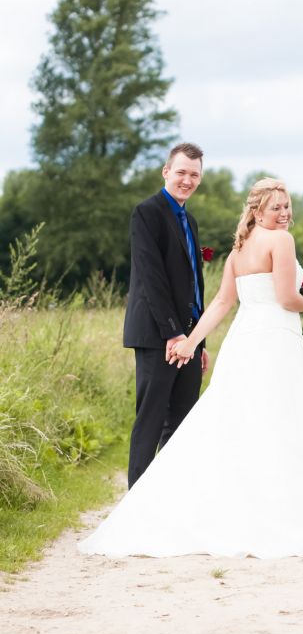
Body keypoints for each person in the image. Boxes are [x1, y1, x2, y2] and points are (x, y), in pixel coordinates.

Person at [78, 178, 303, 559]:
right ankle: (280, 519)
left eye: (287, 205)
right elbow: (284, 297)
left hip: (245, 342)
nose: (284, 213)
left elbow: (221, 304)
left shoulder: (238, 252)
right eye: (275, 207)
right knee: (282, 424)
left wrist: (190, 342)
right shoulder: (281, 242)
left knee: (239, 424)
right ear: (257, 211)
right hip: (275, 343)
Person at [123, 141, 210, 488]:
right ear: (166, 172)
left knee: (181, 424)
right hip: (157, 337)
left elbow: (195, 286)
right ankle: (135, 510)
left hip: (188, 340)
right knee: (151, 421)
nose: (187, 180)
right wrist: (173, 334)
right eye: (181, 172)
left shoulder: (190, 220)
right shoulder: (147, 213)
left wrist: (199, 341)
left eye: (194, 174)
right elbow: (151, 278)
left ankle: (167, 505)